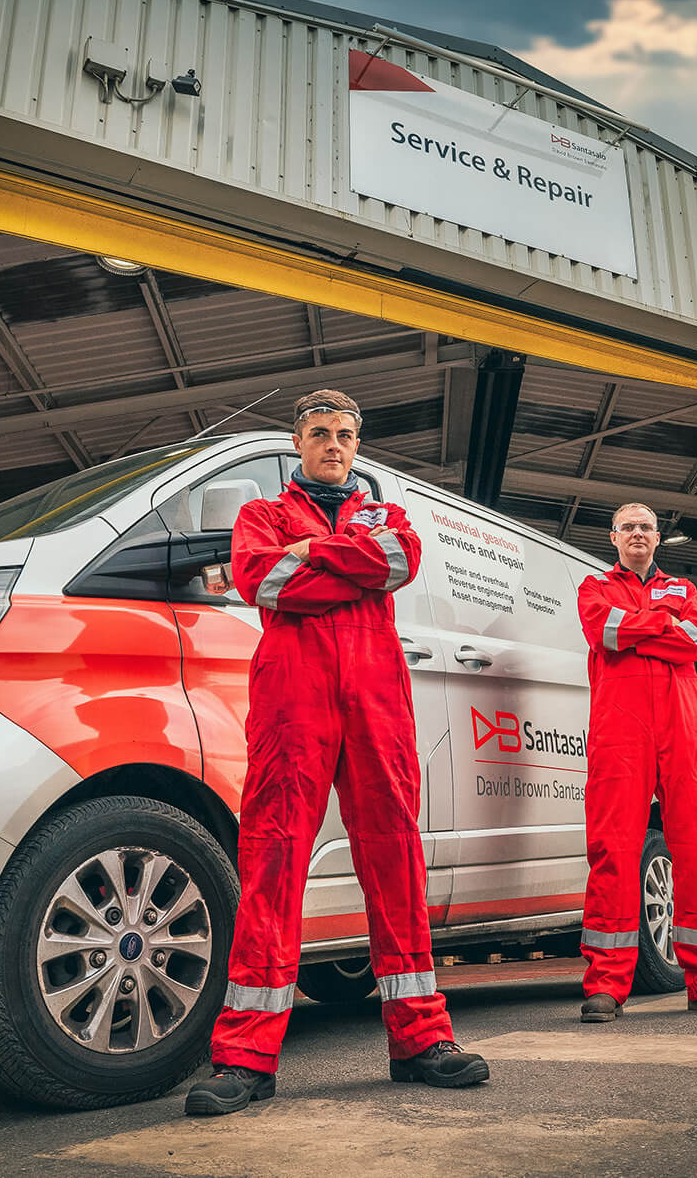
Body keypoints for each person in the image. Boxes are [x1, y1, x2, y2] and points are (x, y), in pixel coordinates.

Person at [185, 389, 489, 1116]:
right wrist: (344, 565)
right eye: (320, 432)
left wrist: (312, 553)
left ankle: (422, 1039)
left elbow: (399, 561)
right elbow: (264, 581)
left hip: (377, 693)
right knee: (273, 855)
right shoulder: (261, 517)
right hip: (295, 695)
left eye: (345, 434)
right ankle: (245, 1057)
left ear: (357, 445)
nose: (333, 444)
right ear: (297, 442)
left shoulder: (386, 516)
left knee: (396, 857)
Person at [574, 502, 697, 1022]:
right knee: (613, 848)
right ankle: (607, 985)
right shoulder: (594, 587)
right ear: (613, 537)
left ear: (658, 538)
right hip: (621, 730)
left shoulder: (684, 588)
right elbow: (604, 632)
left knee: (696, 846)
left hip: (683, 726)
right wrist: (662, 624)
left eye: (646, 527)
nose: (637, 533)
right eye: (628, 527)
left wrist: (638, 629)